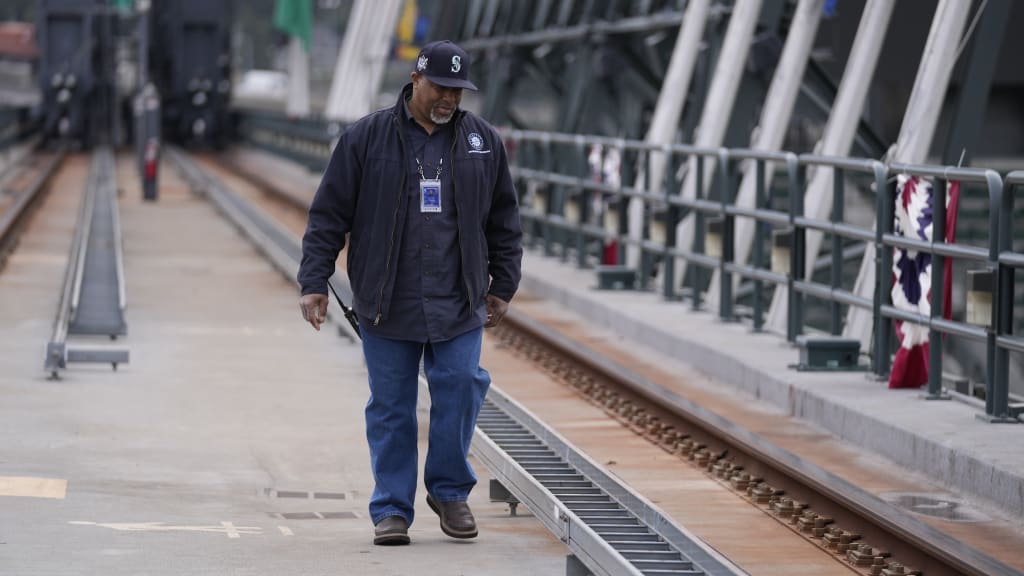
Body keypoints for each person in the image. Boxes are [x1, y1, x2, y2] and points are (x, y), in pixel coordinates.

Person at [297, 40, 522, 546]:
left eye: (458, 91)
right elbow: (328, 215)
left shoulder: (481, 141)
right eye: (442, 87)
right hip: (386, 300)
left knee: (462, 384)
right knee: (392, 407)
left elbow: (504, 220)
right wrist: (315, 280)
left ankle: (448, 491)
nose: (450, 99)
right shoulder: (366, 138)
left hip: (457, 298)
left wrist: (503, 284)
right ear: (416, 79)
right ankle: (392, 508)